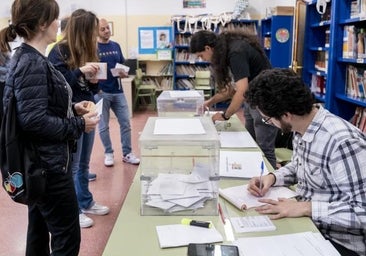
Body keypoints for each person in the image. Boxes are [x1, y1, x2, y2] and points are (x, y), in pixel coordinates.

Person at [0, 0, 99, 255]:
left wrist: (72, 108)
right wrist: (78, 124)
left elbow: (37, 108)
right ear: (43, 23)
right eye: (55, 18)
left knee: (38, 233)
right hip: (49, 168)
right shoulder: (32, 62)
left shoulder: (31, 58)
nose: (59, 24)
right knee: (67, 238)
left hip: (41, 165)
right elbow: (33, 121)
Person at [246, 68, 366, 256]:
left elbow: (363, 212)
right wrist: (273, 178)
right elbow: (300, 165)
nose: (268, 123)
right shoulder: (303, 127)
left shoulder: (342, 143)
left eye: (268, 120)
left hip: (339, 242)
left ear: (286, 115)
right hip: (309, 224)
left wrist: (305, 208)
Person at [48, 9, 110, 228]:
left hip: (89, 110)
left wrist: (94, 82)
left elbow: (92, 87)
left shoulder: (88, 49)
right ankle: (74, 211)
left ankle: (86, 201)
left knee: (84, 163)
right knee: (73, 165)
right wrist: (80, 71)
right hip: (71, 115)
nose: (96, 34)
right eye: (93, 29)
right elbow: (58, 86)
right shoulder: (58, 51)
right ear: (82, 29)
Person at [190, 30, 278, 168]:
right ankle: (254, 176)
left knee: (264, 150)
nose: (203, 59)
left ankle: (271, 183)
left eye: (201, 55)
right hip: (253, 99)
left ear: (208, 48)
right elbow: (231, 90)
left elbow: (241, 90)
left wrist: (225, 116)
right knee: (251, 143)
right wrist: (210, 102)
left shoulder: (235, 52)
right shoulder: (228, 49)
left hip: (266, 100)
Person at [95, 18, 140, 166]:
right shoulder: (93, 48)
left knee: (126, 123)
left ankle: (127, 154)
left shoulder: (116, 46)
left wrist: (123, 73)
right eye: (103, 29)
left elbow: (121, 65)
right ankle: (108, 153)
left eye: (108, 28)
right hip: (101, 92)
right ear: (97, 31)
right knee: (103, 126)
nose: (107, 31)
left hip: (118, 90)